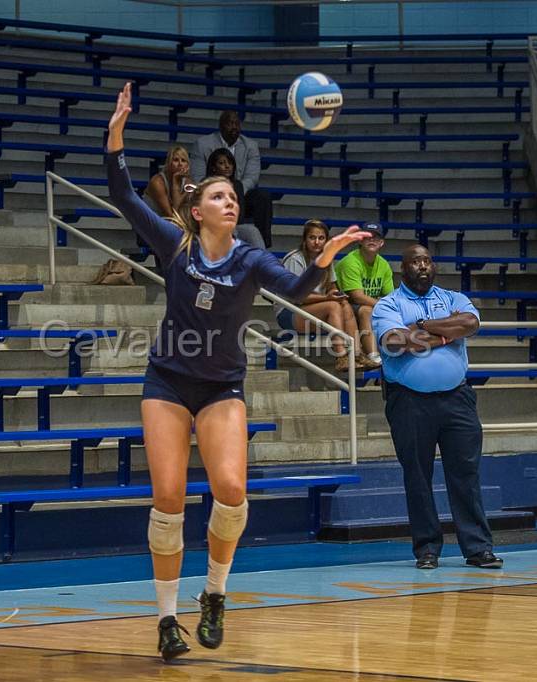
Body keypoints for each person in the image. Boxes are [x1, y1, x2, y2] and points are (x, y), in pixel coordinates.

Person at [107, 83, 365, 662]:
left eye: (233, 198)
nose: (230, 202)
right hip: (168, 381)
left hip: (222, 385)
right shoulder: (175, 245)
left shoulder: (250, 258)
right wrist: (117, 132)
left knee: (231, 492)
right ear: (197, 211)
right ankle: (168, 618)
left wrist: (326, 256)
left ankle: (215, 595)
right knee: (169, 497)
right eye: (219, 196)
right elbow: (122, 192)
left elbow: (297, 289)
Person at [371, 242, 503, 571]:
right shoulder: (389, 304)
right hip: (409, 402)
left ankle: (478, 548)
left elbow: (470, 325)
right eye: (415, 262)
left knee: (466, 474)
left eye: (427, 261)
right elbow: (397, 342)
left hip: (457, 399)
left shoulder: (453, 298)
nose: (423, 266)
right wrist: (448, 330)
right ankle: (427, 549)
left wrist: (424, 328)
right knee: (418, 476)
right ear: (403, 268)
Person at [276, 220, 361, 371]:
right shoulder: (295, 259)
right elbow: (297, 296)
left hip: (314, 308)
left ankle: (357, 355)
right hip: (289, 311)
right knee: (333, 306)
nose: (316, 242)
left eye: (321, 238)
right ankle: (341, 356)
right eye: (312, 238)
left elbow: (332, 286)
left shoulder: (326, 258)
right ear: (305, 239)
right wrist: (328, 298)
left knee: (345, 305)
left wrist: (335, 293)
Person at [190, 110, 273, 247]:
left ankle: (264, 244)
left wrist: (235, 191)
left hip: (241, 192)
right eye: (230, 123)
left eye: (236, 123)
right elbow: (198, 177)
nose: (234, 127)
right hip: (212, 193)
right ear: (221, 126)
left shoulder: (250, 146)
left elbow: (252, 178)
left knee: (262, 196)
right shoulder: (202, 144)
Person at [335, 224, 393, 369]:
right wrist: (383, 305)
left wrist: (388, 306)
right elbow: (357, 296)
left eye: (376, 237)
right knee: (367, 310)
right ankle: (374, 356)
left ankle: (394, 357)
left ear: (382, 243)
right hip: (344, 305)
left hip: (369, 305)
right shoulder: (351, 261)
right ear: (360, 240)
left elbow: (390, 296)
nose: (372, 240)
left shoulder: (384, 265)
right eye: (367, 236)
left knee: (392, 312)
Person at [205, 147, 267, 250]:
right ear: (213, 167)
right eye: (222, 163)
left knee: (251, 230)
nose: (227, 166)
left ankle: (264, 263)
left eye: (230, 163)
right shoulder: (206, 185)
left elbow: (240, 214)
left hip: (233, 225)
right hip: (211, 226)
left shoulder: (237, 185)